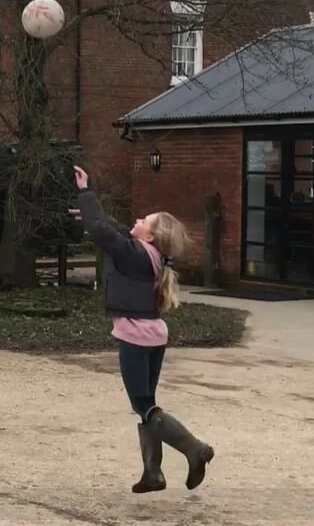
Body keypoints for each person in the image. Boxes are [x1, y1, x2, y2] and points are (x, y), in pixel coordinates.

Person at [70, 165, 215, 493]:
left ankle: (194, 449)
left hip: (136, 337)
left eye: (143, 221)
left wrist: (86, 191)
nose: (136, 221)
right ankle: (153, 475)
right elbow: (112, 229)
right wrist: (92, 212)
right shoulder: (146, 253)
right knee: (146, 401)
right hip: (152, 336)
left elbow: (105, 232)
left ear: (150, 236)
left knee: (144, 406)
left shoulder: (135, 255)